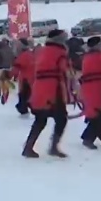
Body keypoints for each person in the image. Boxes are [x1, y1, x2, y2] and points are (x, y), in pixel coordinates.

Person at [22, 29, 72, 159]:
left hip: (39, 88)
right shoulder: (61, 52)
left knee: (40, 119)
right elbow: (65, 70)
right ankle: (53, 146)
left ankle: (28, 146)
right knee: (61, 118)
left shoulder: (41, 51)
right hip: (54, 89)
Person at [79, 37, 101, 149]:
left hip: (90, 88)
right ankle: (88, 138)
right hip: (99, 87)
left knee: (99, 112)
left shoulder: (86, 57)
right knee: (99, 114)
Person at [10, 38, 34, 116]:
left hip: (26, 80)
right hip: (31, 79)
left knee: (24, 96)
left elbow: (16, 68)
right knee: (28, 95)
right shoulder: (30, 54)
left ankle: (25, 109)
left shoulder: (23, 56)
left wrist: (8, 75)